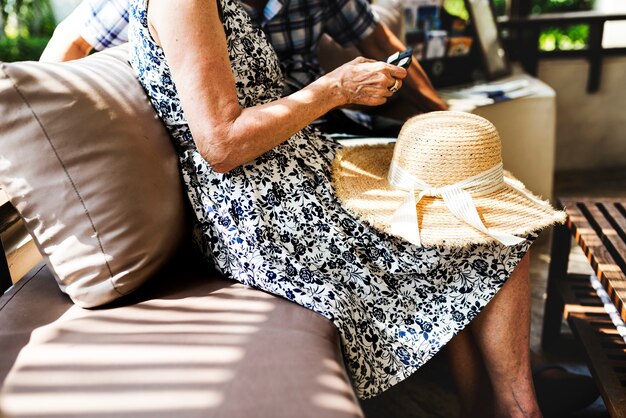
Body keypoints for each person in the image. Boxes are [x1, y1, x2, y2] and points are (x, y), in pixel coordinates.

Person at [122, 0, 571, 415]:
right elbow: (221, 144)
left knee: (457, 218)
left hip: (299, 175)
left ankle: (486, 407)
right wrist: (335, 88)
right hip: (265, 206)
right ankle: (520, 410)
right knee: (488, 231)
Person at [40, 0, 446, 137]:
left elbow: (379, 42)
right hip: (257, 144)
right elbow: (73, 42)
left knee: (420, 149)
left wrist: (444, 115)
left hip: (321, 128)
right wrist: (50, 133)